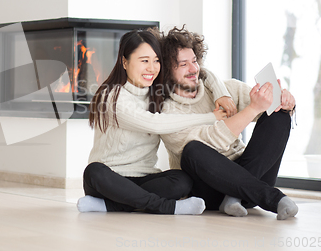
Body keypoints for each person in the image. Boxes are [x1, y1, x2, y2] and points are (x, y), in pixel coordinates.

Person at [77, 28, 233, 215]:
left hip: (145, 178)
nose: (152, 68)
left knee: (183, 179)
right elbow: (154, 123)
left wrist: (222, 93)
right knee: (94, 172)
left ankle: (112, 205)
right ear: (124, 62)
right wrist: (210, 117)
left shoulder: (158, 91)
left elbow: (200, 73)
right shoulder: (112, 97)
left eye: (156, 60)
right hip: (110, 179)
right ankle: (169, 207)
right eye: (144, 61)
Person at [158, 26, 298, 220]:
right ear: (166, 70)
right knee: (193, 150)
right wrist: (253, 109)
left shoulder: (226, 89)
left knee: (279, 115)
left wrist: (285, 102)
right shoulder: (166, 113)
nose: (193, 69)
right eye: (183, 64)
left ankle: (234, 197)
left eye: (194, 61)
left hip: (252, 177)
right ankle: (272, 198)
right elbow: (212, 141)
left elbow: (268, 110)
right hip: (211, 190)